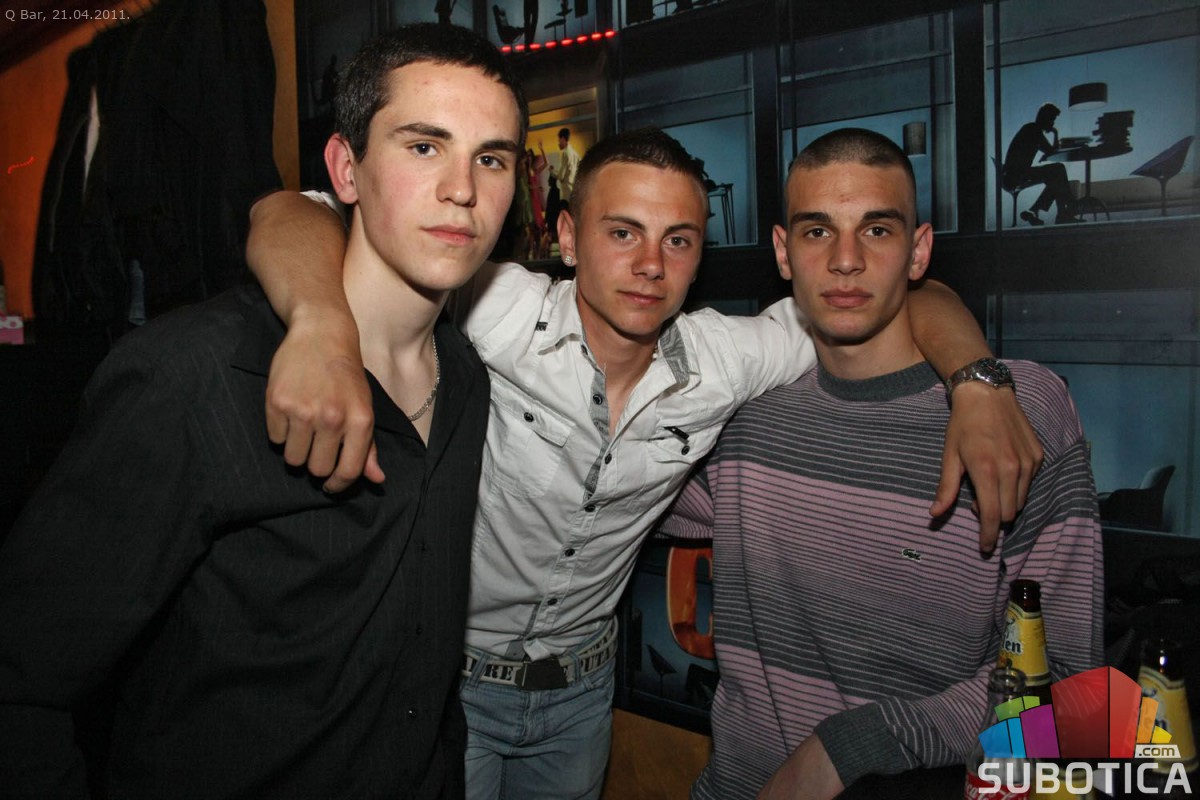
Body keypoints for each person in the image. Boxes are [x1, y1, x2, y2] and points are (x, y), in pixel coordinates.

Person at [245, 128, 1043, 799]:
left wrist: (977, 383)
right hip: (446, 684)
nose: (651, 265)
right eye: (622, 232)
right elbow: (288, 212)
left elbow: (896, 293)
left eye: (678, 241)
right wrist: (320, 324)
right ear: (567, 237)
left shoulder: (727, 359)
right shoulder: (494, 309)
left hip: (583, 699)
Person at [0, 23, 525, 799]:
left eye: (492, 158)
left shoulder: (468, 379)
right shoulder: (195, 375)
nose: (463, 189)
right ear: (345, 169)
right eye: (424, 146)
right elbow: (21, 682)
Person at [662, 128, 1103, 800]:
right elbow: (613, 495)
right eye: (817, 232)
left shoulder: (1019, 412)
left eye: (876, 230)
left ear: (919, 250)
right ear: (782, 251)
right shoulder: (746, 411)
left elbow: (1069, 682)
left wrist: (858, 745)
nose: (846, 260)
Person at [1003, 102, 1080, 226]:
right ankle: (1063, 211)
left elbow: (1049, 151)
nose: (1053, 123)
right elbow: (1051, 151)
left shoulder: (1031, 129)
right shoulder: (1034, 130)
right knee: (1058, 169)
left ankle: (1037, 210)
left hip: (1012, 175)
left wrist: (1051, 141)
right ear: (1046, 118)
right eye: (1052, 120)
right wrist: (1055, 133)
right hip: (1016, 175)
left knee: (1056, 176)